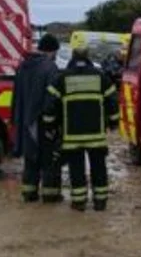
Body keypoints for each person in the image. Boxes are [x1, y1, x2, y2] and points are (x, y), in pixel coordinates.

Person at [43, 47, 120, 212]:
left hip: (72, 136)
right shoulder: (100, 76)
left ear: (72, 57)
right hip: (96, 136)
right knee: (99, 168)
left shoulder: (62, 78)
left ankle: (79, 202)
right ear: (88, 57)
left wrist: (50, 125)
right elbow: (113, 101)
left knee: (76, 169)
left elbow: (50, 104)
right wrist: (114, 122)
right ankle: (100, 202)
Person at [12, 34, 63, 203]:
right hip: (44, 121)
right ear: (51, 50)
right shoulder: (50, 68)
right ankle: (50, 195)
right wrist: (53, 124)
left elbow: (16, 95)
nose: (55, 56)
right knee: (50, 158)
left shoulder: (23, 66)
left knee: (31, 158)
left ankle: (29, 193)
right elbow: (52, 98)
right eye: (55, 52)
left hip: (26, 121)